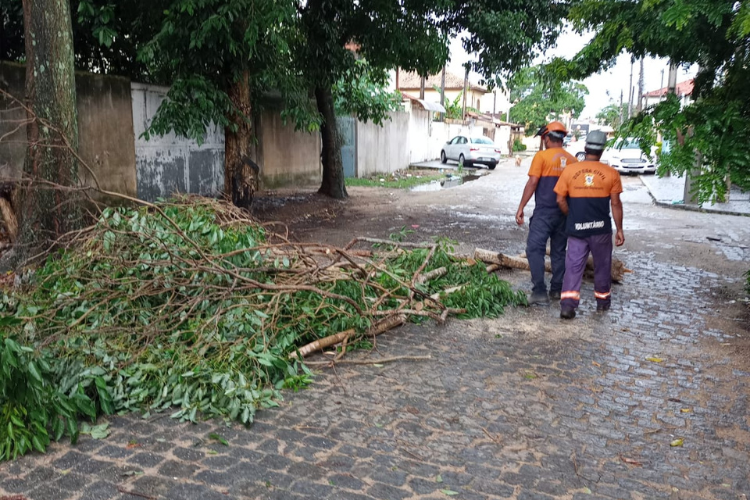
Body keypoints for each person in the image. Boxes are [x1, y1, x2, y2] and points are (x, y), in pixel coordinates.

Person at [553, 130, 625, 319]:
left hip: (577, 229)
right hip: (600, 230)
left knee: (573, 266)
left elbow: (560, 200)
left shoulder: (570, 170)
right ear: (602, 151)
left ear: (585, 149)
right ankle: (602, 303)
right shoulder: (612, 174)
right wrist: (619, 230)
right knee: (602, 265)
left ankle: (567, 306)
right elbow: (615, 203)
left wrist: (572, 216)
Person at [515, 121, 577, 305]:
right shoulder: (573, 160)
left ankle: (540, 291)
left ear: (547, 138)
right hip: (565, 213)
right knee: (559, 251)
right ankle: (557, 290)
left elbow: (533, 183)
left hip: (544, 212)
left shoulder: (541, 157)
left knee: (534, 249)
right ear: (562, 138)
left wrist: (521, 208)